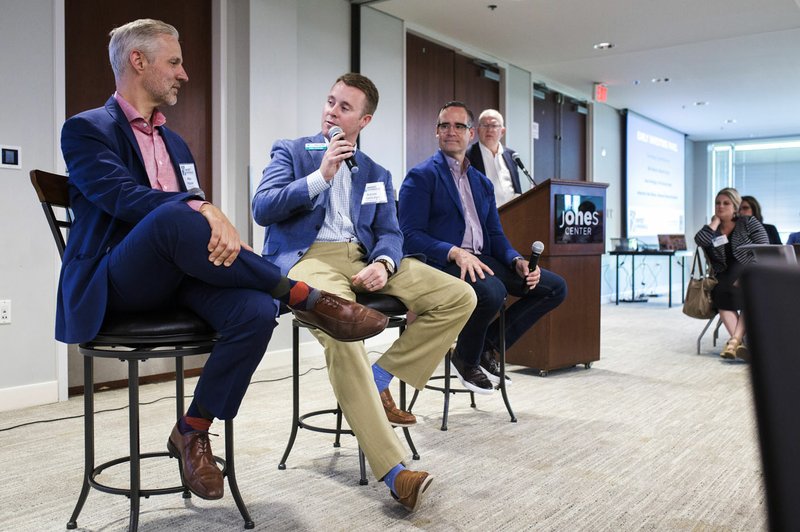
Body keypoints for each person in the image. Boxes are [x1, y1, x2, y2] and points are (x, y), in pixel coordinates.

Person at [59, 20, 386, 502]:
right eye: (174, 62)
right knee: (176, 214)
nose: (184, 73)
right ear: (139, 62)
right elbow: (125, 199)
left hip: (178, 275)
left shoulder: (175, 143)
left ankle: (192, 429)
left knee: (255, 312)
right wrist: (205, 208)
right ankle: (303, 295)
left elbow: (195, 223)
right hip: (116, 280)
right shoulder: (87, 129)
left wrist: (229, 238)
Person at [252, 74, 476, 511]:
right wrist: (320, 176)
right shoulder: (293, 151)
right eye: (330, 102)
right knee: (343, 330)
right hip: (311, 259)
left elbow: (391, 231)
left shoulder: (376, 172)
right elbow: (263, 207)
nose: (331, 112)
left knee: (460, 297)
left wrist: (384, 262)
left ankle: (380, 378)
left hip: (367, 260)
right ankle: (395, 472)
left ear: (364, 119)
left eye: (344, 108)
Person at [399, 101, 567, 393]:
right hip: (443, 261)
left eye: (458, 126)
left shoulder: (481, 182)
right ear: (436, 132)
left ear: (471, 133)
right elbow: (410, 234)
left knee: (554, 287)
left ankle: (488, 344)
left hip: (482, 258)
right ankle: (466, 358)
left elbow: (494, 233)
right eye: (444, 125)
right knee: (492, 291)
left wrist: (515, 259)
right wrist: (455, 252)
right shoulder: (421, 175)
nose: (451, 131)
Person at [694, 187, 768, 360]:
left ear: (735, 207)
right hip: (724, 277)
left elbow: (764, 249)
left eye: (726, 203)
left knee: (747, 289)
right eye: (717, 203)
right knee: (720, 291)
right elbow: (699, 240)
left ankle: (734, 341)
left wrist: (750, 273)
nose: (720, 206)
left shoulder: (748, 222)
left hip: (749, 271)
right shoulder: (713, 230)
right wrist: (714, 223)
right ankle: (739, 343)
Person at [465, 109, 523, 206]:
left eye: (494, 125)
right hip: (484, 218)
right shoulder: (467, 156)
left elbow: (517, 191)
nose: (489, 130)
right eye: (485, 125)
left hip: (513, 215)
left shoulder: (511, 155)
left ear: (502, 131)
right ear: (478, 130)